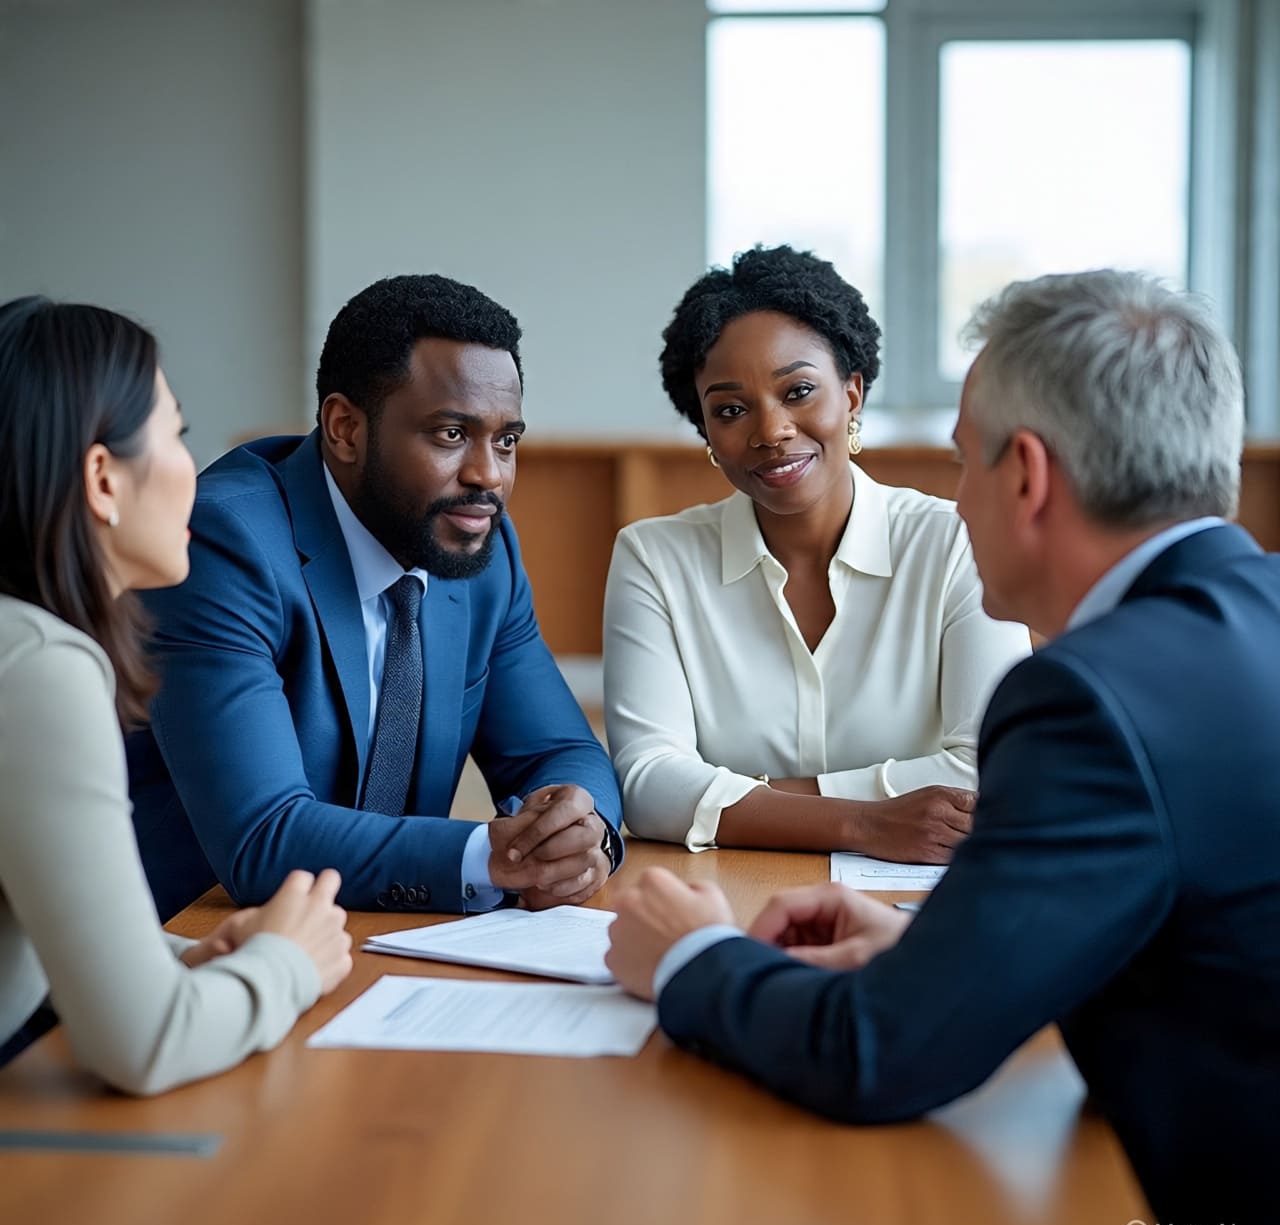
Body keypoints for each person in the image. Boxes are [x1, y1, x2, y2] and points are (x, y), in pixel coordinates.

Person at [606, 270, 1280, 1225]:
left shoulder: (1085, 700)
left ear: (1027, 475)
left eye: (963, 461)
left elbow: (875, 1053)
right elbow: (1193, 922)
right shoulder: (1252, 611)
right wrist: (937, 942)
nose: (950, 498)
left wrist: (692, 956)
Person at [128, 274, 623, 920]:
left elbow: (562, 752)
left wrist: (583, 834)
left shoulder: (481, 549)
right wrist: (488, 856)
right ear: (345, 429)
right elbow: (263, 838)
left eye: (506, 441)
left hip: (379, 942)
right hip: (190, 947)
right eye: (451, 435)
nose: (489, 476)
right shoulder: (223, 545)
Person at [0, 297, 352, 1090]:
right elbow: (147, 1044)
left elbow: (44, 922)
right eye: (177, 435)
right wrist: (288, 964)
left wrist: (191, 960)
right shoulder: (38, 668)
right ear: (102, 478)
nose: (195, 471)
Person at [604, 246, 1029, 861]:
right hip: (726, 894)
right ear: (706, 433)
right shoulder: (654, 557)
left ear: (852, 395)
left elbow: (992, 771)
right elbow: (646, 786)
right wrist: (864, 823)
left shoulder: (954, 542)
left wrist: (744, 800)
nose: (771, 430)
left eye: (798, 391)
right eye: (729, 409)